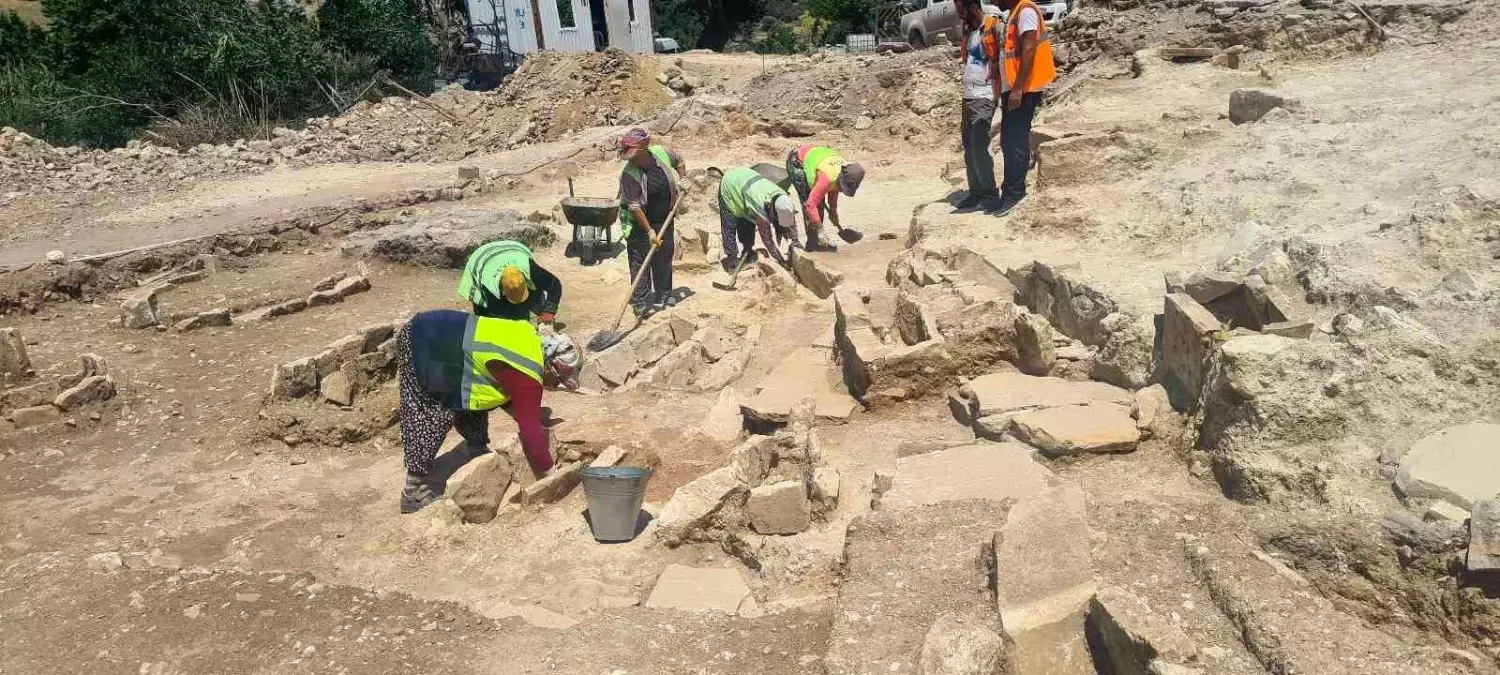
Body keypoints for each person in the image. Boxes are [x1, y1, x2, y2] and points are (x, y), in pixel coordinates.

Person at [396, 309, 550, 514]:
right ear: (552, 368)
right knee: (432, 410)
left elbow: (508, 392)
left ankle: (477, 452)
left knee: (472, 396)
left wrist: (531, 419)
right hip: (426, 339)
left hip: (450, 336)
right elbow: (528, 426)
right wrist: (551, 472)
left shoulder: (530, 341)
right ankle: (413, 490)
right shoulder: (529, 374)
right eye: (559, 381)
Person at [993, 0, 1056, 217]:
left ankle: (1014, 194)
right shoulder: (1014, 13)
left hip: (1024, 88)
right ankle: (1009, 190)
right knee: (1008, 140)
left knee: (1014, 140)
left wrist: (1018, 89)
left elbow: (1029, 48)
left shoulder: (1026, 11)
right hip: (1013, 86)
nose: (992, 2)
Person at [616, 128, 687, 319]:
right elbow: (634, 206)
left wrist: (684, 178)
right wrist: (649, 231)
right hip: (639, 224)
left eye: (632, 153)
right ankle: (640, 301)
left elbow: (678, 158)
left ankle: (664, 293)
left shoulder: (661, 153)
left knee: (664, 256)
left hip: (665, 218)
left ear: (643, 148)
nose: (629, 158)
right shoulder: (629, 174)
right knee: (640, 262)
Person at [954, 0, 1004, 213]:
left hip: (984, 95)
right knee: (969, 147)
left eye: (961, 9)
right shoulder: (970, 31)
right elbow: (966, 60)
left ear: (973, 6)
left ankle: (990, 195)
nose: (958, 14)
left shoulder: (993, 26)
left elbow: (1001, 58)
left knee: (979, 146)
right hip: (969, 96)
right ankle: (976, 193)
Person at [457, 239, 563, 330]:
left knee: (527, 309)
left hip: (512, 250)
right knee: (492, 325)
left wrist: (549, 310)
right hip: (481, 259)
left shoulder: (530, 270)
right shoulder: (488, 287)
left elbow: (555, 285)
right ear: (502, 292)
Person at [716, 166, 800, 271]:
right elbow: (767, 239)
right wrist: (781, 261)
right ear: (774, 211)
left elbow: (790, 222)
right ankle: (732, 262)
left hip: (746, 178)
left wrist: (795, 242)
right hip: (729, 186)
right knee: (730, 227)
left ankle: (748, 251)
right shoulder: (760, 208)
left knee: (747, 222)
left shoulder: (784, 200)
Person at [785, 145, 864, 252]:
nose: (841, 190)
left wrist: (833, 211)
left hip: (816, 157)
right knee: (810, 203)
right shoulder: (827, 178)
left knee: (818, 204)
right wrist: (820, 230)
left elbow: (834, 189)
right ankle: (813, 243)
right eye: (843, 187)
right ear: (841, 179)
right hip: (798, 161)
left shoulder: (843, 172)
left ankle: (816, 241)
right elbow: (810, 205)